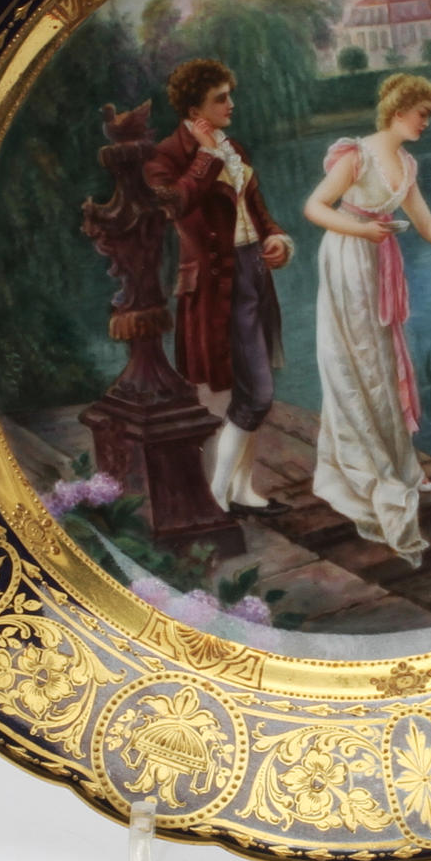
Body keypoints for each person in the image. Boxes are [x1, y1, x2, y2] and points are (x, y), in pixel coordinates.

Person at [303, 74, 431, 565]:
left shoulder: (407, 164)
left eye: (428, 115)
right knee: (359, 362)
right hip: (348, 260)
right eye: (422, 114)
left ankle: (389, 457)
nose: (426, 123)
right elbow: (314, 207)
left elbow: (429, 226)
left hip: (378, 262)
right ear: (398, 112)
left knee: (380, 362)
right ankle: (367, 464)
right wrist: (361, 230)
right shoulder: (358, 155)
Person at [144, 58, 292, 517]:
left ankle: (242, 491)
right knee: (255, 395)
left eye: (230, 95)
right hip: (216, 282)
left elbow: (257, 211)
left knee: (252, 391)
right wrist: (206, 156)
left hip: (254, 271)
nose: (231, 104)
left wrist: (276, 239)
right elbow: (175, 204)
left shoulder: (235, 148)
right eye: (220, 98)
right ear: (195, 110)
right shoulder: (167, 156)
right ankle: (216, 495)